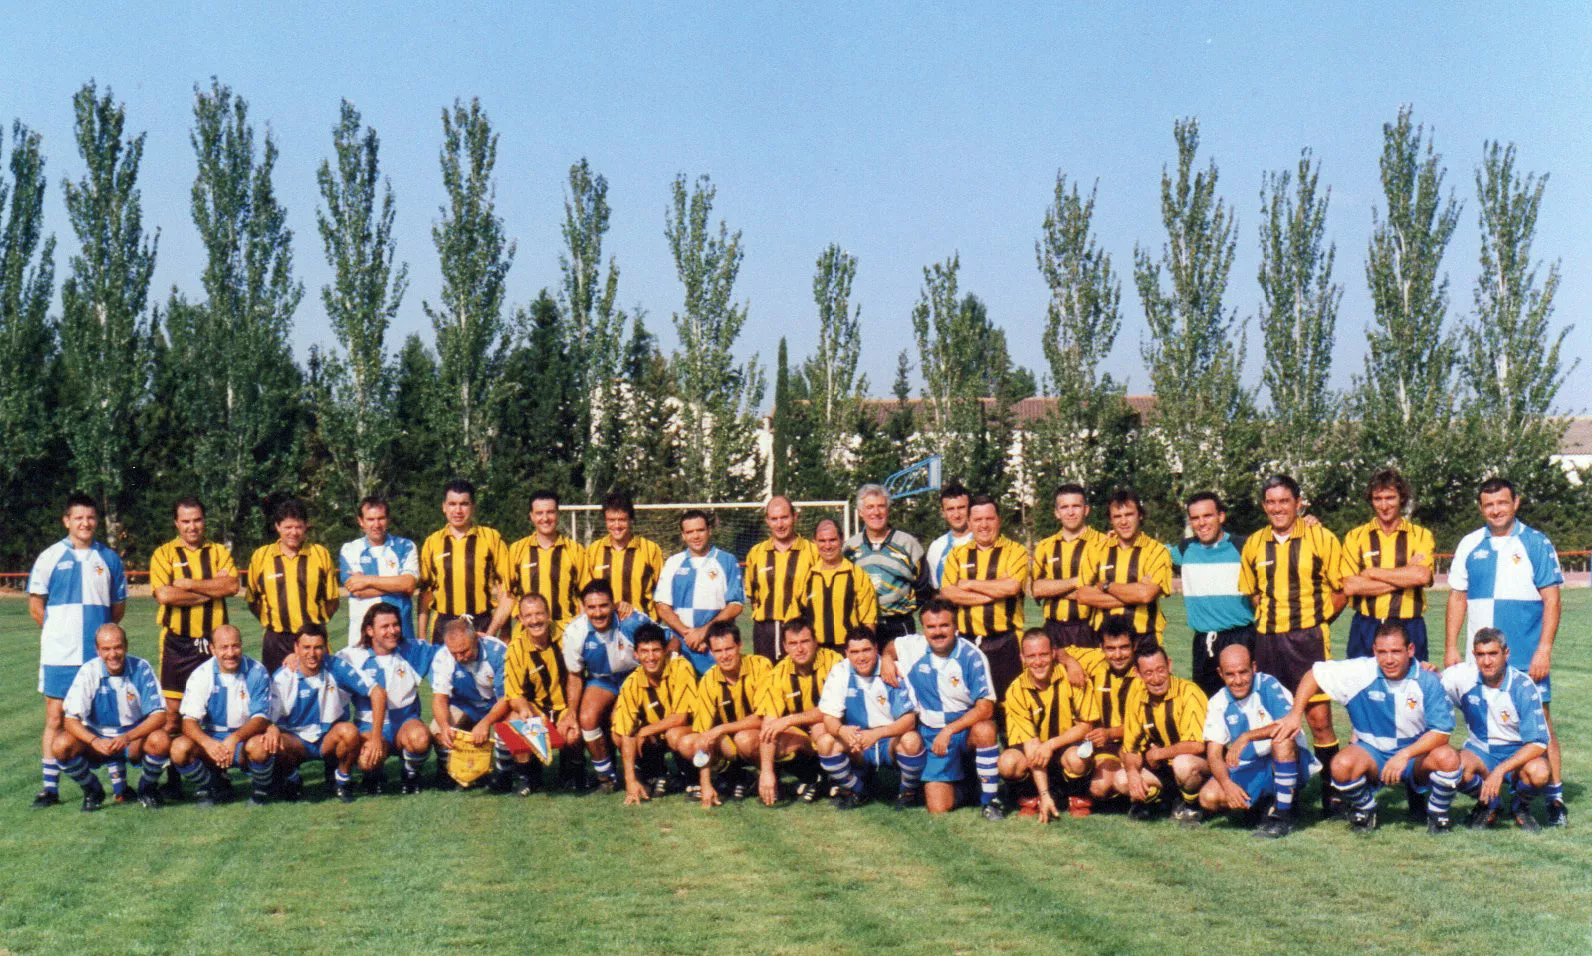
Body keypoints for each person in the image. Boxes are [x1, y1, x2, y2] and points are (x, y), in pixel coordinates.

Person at [1444, 476, 1566, 827]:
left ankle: (1555, 798)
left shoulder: (1536, 542)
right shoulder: (1469, 544)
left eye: (1502, 503)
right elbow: (1457, 597)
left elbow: (1552, 599)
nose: (1496, 510)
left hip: (1526, 655)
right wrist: (1452, 647)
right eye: (1489, 504)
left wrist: (1544, 649)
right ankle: (1490, 798)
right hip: (1480, 659)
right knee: (1482, 724)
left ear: (1516, 503)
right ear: (1481, 508)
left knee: (1541, 723)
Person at [1274, 621, 1462, 835]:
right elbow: (1314, 674)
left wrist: (1404, 755)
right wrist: (1295, 714)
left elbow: (1442, 733)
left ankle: (1438, 815)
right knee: (1341, 765)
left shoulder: (1427, 680)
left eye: (1395, 652)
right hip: (1373, 752)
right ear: (1374, 651)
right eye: (1382, 652)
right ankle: (1365, 808)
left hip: (1415, 755)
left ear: (1410, 650)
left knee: (1448, 758)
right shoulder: (1361, 671)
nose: (1388, 659)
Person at [1238, 474, 1347, 813]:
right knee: (1274, 717)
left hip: (1308, 640)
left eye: (1284, 501)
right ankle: (1285, 790)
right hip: (1268, 641)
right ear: (1264, 506)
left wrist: (1316, 621)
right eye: (1271, 502)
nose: (1277, 508)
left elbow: (1341, 588)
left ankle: (1333, 791)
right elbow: (1252, 593)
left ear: (1298, 503)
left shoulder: (1321, 537)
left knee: (1317, 719)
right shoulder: (1255, 543)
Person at [28, 492, 128, 809]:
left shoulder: (109, 559)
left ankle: (119, 787)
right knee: (55, 718)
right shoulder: (49, 556)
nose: (85, 523)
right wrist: (62, 634)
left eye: (91, 518)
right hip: (60, 656)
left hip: (97, 655)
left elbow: (117, 609)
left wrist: (94, 638)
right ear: (67, 521)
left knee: (105, 715)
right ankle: (49, 788)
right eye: (79, 517)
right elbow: (35, 607)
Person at [148, 496, 239, 798]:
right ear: (176, 523)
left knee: (213, 711)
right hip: (178, 643)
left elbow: (231, 587)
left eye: (197, 520)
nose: (192, 527)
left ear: (204, 520)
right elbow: (165, 595)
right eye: (185, 521)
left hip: (212, 645)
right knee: (173, 717)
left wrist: (187, 584)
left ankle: (216, 775)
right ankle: (174, 776)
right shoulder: (163, 553)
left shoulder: (218, 552)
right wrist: (210, 590)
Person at [881, 598, 1003, 819]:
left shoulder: (972, 656)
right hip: (931, 730)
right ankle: (967, 785)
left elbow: (985, 708)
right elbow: (891, 648)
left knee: (985, 729)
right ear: (923, 629)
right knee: (938, 808)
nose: (937, 632)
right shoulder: (913, 646)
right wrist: (886, 659)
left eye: (944, 625)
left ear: (955, 627)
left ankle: (990, 800)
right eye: (931, 627)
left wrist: (950, 730)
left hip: (963, 728)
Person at [1198, 644, 1316, 838]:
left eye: (1243, 672)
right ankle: (1265, 807)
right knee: (1208, 798)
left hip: (1285, 762)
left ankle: (1283, 816)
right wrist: (1227, 784)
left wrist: (1247, 736)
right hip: (1251, 766)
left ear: (1253, 667)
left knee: (1282, 739)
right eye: (1230, 674)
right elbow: (1213, 755)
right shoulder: (1218, 702)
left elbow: (1289, 724)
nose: (1238, 680)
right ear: (1220, 674)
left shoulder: (1268, 684)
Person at [1442, 628, 1552, 831]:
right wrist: (1425, 671)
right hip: (1480, 750)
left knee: (1540, 772)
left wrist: (1500, 771)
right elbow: (1430, 688)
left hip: (1516, 753)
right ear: (1474, 655)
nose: (1486, 661)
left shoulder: (1523, 687)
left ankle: (1520, 806)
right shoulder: (1461, 677)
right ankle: (1491, 804)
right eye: (1481, 655)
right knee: (1451, 766)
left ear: (1506, 653)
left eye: (1493, 654)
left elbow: (1538, 743)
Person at [265, 624, 386, 803]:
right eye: (306, 647)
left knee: (350, 731)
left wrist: (376, 738)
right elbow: (267, 717)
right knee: (273, 740)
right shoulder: (283, 676)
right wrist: (271, 727)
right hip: (296, 741)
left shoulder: (336, 666)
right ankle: (292, 779)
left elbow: (378, 693)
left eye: (318, 647)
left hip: (328, 738)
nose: (312, 654)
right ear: (296, 648)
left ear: (325, 647)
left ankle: (342, 780)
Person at [54, 624, 168, 811]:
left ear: (126, 646)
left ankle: (146, 788)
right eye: (106, 649)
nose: (112, 654)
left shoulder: (141, 667)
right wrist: (94, 741)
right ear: (97, 650)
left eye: (117, 647)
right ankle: (92, 789)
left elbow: (159, 715)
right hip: (98, 738)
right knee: (61, 746)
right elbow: (70, 719)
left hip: (131, 739)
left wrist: (128, 737)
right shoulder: (88, 671)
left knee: (160, 740)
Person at [814, 625, 926, 810]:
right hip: (857, 742)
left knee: (911, 740)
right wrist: (842, 730)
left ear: (876, 648)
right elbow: (829, 717)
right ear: (847, 653)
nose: (861, 657)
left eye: (866, 650)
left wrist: (877, 734)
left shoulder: (893, 670)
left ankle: (908, 793)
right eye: (855, 652)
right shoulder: (840, 672)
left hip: (889, 740)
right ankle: (856, 791)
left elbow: (909, 720)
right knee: (825, 742)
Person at [563, 580, 658, 792]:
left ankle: (643, 772)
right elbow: (575, 675)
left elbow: (667, 641)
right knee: (586, 719)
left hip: (632, 677)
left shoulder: (632, 620)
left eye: (603, 606)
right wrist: (571, 712)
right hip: (602, 679)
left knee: (620, 721)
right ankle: (606, 776)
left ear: (614, 604)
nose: (598, 613)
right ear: (583, 607)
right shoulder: (575, 632)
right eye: (592, 607)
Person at [998, 629, 1098, 823]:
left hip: (1065, 747)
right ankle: (1033, 796)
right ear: (1022, 658)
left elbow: (1086, 726)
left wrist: (1051, 744)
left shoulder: (1073, 677)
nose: (1038, 662)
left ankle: (1076, 796)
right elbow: (1031, 746)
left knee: (1078, 758)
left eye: (1043, 654)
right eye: (1031, 656)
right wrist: (1044, 794)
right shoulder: (1016, 691)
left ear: (1053, 653)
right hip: (1035, 752)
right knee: (1007, 763)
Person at [168, 625, 275, 807]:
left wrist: (235, 738)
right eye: (224, 647)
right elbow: (188, 722)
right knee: (179, 749)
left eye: (235, 646)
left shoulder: (256, 671)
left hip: (244, 738)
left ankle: (261, 791)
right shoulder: (201, 675)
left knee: (259, 746)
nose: (230, 653)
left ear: (242, 645)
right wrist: (208, 743)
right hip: (213, 738)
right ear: (212, 649)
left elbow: (260, 719)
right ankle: (213, 786)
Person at [337, 603, 436, 794]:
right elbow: (322, 662)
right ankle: (374, 775)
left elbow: (448, 648)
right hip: (369, 726)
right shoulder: (351, 656)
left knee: (421, 739)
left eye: (395, 624)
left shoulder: (412, 650)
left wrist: (474, 637)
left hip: (405, 723)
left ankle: (410, 775)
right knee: (367, 760)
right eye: (385, 626)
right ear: (369, 630)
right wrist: (294, 657)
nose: (392, 631)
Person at [938, 495, 1030, 701]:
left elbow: (1012, 586)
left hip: (1006, 641)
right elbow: (949, 593)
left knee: (1010, 704)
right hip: (967, 642)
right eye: (978, 520)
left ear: (999, 520)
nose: (984, 525)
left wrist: (969, 584)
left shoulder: (1016, 551)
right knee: (972, 703)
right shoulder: (957, 554)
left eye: (989, 519)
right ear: (970, 523)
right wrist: (995, 593)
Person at [1341, 469, 1436, 661]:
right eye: (1378, 499)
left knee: (1412, 686)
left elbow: (1422, 577)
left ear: (1402, 498)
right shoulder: (1355, 536)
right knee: (1361, 685)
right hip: (1366, 625)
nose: (1384, 505)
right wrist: (1405, 576)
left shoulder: (1421, 535)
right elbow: (1351, 586)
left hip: (1409, 625)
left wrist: (1372, 573)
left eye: (1390, 498)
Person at [1171, 492, 1256, 697]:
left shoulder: (1244, 547)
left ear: (1221, 516)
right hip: (1203, 644)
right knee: (1207, 710)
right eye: (1195, 518)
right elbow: (1148, 553)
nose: (1201, 523)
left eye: (1207, 516)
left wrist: (1307, 523)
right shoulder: (1184, 550)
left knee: (1250, 707)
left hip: (1241, 638)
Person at [754, 617, 844, 806]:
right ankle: (812, 776)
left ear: (815, 641)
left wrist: (788, 720)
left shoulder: (835, 662)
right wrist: (766, 772)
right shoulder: (779, 672)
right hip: (805, 738)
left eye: (804, 642)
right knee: (766, 737)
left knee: (820, 726)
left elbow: (833, 709)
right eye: (793, 644)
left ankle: (840, 778)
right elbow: (769, 723)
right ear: (785, 647)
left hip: (838, 730)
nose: (800, 649)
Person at [682, 622, 773, 806]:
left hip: (762, 738)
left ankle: (770, 774)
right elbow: (703, 736)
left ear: (740, 645)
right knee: (687, 743)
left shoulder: (761, 666)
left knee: (744, 739)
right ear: (711, 652)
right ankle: (739, 777)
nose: (724, 656)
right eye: (718, 651)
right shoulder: (709, 679)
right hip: (731, 743)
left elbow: (764, 718)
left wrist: (720, 728)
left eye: (729, 649)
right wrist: (705, 784)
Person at [1118, 644, 1210, 824]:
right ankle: (1167, 800)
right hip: (1164, 769)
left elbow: (1197, 745)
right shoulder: (1137, 696)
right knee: (1121, 779)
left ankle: (1192, 805)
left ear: (1169, 665)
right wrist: (1132, 773)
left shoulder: (1189, 692)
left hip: (1201, 765)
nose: (1157, 679)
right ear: (1138, 673)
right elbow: (1130, 747)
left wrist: (1159, 753)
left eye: (1160, 670)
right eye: (1149, 673)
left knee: (1183, 763)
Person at [245, 497, 339, 672]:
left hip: (312, 638)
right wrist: (274, 621)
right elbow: (253, 600)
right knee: (277, 694)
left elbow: (332, 600)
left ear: (305, 527)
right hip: (276, 641)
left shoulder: (319, 554)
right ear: (278, 527)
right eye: (288, 527)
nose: (294, 532)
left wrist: (313, 626)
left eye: (298, 527)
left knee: (316, 691)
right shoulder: (261, 556)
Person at [503, 593, 583, 793]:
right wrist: (526, 711)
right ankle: (527, 775)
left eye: (539, 614)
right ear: (520, 619)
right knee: (513, 721)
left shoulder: (568, 633)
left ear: (548, 615)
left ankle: (571, 771)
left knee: (572, 734)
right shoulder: (516, 648)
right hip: (537, 708)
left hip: (566, 707)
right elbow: (514, 694)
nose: (535, 620)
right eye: (528, 616)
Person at [612, 624, 700, 805]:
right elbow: (626, 730)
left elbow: (681, 717)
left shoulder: (681, 667)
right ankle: (657, 774)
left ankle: (694, 778)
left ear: (666, 650)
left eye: (656, 650)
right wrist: (630, 780)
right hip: (658, 734)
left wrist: (644, 732)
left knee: (673, 734)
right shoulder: (632, 682)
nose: (650, 657)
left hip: (690, 731)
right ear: (635, 654)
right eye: (644, 651)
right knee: (618, 733)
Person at [417, 478, 513, 642]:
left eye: (464, 504)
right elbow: (425, 595)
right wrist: (421, 638)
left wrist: (498, 632)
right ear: (444, 507)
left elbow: (508, 588)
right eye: (452, 504)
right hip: (444, 625)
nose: (458, 510)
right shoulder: (433, 542)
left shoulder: (491, 538)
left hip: (481, 624)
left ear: (473, 507)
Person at [1073, 489, 1172, 647]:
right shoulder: (1096, 549)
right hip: (1104, 641)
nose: (1123, 521)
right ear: (1111, 520)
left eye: (1129, 514)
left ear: (1140, 515)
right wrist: (1134, 594)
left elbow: (1146, 595)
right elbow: (1083, 595)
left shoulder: (1157, 551)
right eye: (1117, 516)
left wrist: (1106, 586)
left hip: (1145, 639)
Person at [654, 509, 745, 675]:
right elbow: (662, 606)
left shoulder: (727, 560)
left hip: (715, 647)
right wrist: (688, 634)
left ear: (709, 531)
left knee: (719, 698)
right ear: (683, 535)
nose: (695, 536)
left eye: (700, 530)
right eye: (689, 532)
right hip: (682, 646)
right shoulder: (673, 562)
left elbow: (736, 605)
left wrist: (704, 632)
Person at [1067, 617, 1141, 812]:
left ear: (1135, 646)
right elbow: (1056, 651)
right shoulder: (1095, 660)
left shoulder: (1144, 673)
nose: (1118, 655)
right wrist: (1070, 662)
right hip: (1106, 746)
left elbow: (1148, 724)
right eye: (1111, 648)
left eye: (1124, 647)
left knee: (1121, 782)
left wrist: (1111, 733)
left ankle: (1153, 800)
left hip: (1138, 744)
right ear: (1101, 647)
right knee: (1099, 787)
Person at [430, 619, 512, 791]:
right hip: (466, 704)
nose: (459, 657)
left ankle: (505, 774)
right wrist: (445, 726)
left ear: (475, 638)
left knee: (510, 726)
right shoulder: (443, 656)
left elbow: (505, 699)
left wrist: (486, 723)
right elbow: (439, 699)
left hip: (496, 704)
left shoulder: (498, 652)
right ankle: (451, 772)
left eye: (464, 651)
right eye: (455, 653)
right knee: (437, 728)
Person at [844, 483, 929, 641]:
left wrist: (901, 606)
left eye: (881, 506)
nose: (876, 512)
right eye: (870, 507)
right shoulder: (849, 548)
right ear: (861, 512)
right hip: (862, 625)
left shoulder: (908, 543)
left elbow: (924, 586)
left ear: (888, 509)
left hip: (899, 625)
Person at [1029, 483, 1106, 650]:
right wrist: (1078, 582)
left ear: (1086, 509)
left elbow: (1100, 592)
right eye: (1064, 507)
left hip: (1089, 630)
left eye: (1076, 506)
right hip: (1052, 629)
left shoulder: (1103, 543)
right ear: (1057, 513)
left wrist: (1054, 589)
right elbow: (1037, 589)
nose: (1070, 512)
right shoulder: (1045, 546)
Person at [505, 489, 587, 640]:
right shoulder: (517, 550)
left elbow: (585, 597)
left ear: (558, 514)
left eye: (550, 512)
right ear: (531, 516)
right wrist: (493, 632)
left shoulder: (576, 550)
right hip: (526, 635)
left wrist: (582, 631)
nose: (545, 518)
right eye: (539, 513)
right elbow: (508, 596)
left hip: (566, 634)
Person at [744, 495, 819, 659]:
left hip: (800, 630)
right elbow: (753, 595)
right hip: (765, 631)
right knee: (766, 679)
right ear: (767, 521)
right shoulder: (756, 552)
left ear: (795, 517)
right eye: (774, 519)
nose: (780, 524)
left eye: (784, 517)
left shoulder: (812, 551)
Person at [338, 495, 420, 647]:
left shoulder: (406, 546)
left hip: (401, 634)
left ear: (388, 520)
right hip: (362, 639)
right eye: (370, 519)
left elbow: (409, 585)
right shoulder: (350, 549)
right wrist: (396, 585)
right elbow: (357, 590)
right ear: (361, 521)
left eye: (381, 518)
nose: (376, 524)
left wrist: (366, 580)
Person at [582, 490, 664, 620]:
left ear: (631, 519)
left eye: (622, 520)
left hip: (642, 626)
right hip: (605, 625)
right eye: (611, 520)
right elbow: (587, 594)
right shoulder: (593, 550)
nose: (616, 525)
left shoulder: (651, 549)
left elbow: (663, 593)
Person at [802, 517, 878, 649]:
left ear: (842, 540)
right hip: (816, 651)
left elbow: (869, 621)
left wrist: (863, 652)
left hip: (848, 651)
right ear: (814, 542)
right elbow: (799, 617)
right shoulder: (808, 576)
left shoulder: (857, 575)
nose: (827, 546)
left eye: (832, 540)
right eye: (822, 541)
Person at [925, 480, 973, 590]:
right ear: (943, 513)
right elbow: (935, 590)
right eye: (950, 509)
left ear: (970, 509)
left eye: (961, 508)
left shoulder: (984, 542)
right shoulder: (937, 547)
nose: (956, 515)